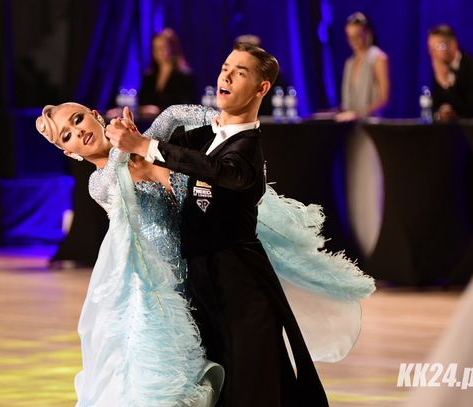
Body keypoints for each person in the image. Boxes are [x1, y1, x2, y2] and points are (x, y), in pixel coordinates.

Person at [37, 99, 375, 405]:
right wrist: (127, 144)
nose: (78, 132)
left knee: (242, 360)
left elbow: (176, 114)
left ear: (96, 116)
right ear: (69, 154)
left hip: (206, 269)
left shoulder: (151, 139)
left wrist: (219, 123)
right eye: (66, 137)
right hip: (163, 296)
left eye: (78, 120)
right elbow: (114, 176)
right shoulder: (99, 182)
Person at [107, 42, 370, 406]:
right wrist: (122, 143)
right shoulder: (201, 138)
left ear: (262, 89)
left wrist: (147, 146)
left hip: (241, 289)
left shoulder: (247, 151)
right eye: (225, 67)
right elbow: (168, 162)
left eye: (240, 72)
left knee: (253, 383)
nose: (226, 76)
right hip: (201, 283)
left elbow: (217, 171)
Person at [336, 12, 390, 121]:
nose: (353, 41)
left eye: (357, 36)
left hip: (371, 126)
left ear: (368, 33)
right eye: (350, 37)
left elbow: (384, 99)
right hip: (350, 127)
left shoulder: (378, 58)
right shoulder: (349, 62)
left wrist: (358, 114)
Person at [138, 28, 197, 118]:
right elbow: (141, 102)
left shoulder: (184, 76)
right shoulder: (149, 76)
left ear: (172, 48)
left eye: (163, 47)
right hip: (148, 125)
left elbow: (187, 107)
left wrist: (159, 110)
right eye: (155, 48)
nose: (159, 52)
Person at [427, 24, 473, 122]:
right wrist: (440, 114)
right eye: (431, 48)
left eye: (439, 46)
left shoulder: (469, 66)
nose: (432, 53)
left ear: (453, 45)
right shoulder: (437, 66)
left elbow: (469, 109)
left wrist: (445, 83)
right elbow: (433, 108)